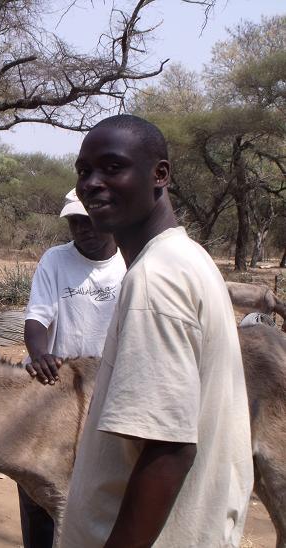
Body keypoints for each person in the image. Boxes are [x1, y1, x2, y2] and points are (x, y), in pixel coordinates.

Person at [59, 114, 253, 547]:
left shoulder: (156, 278)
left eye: (112, 167)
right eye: (84, 170)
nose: (91, 183)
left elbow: (168, 450)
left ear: (160, 174)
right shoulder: (190, 258)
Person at [20, 189, 126, 547]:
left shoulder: (130, 264)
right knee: (38, 490)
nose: (83, 229)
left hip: (108, 391)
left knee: (99, 490)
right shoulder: (55, 260)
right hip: (54, 390)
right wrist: (38, 354)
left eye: (91, 221)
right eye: (75, 222)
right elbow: (36, 319)